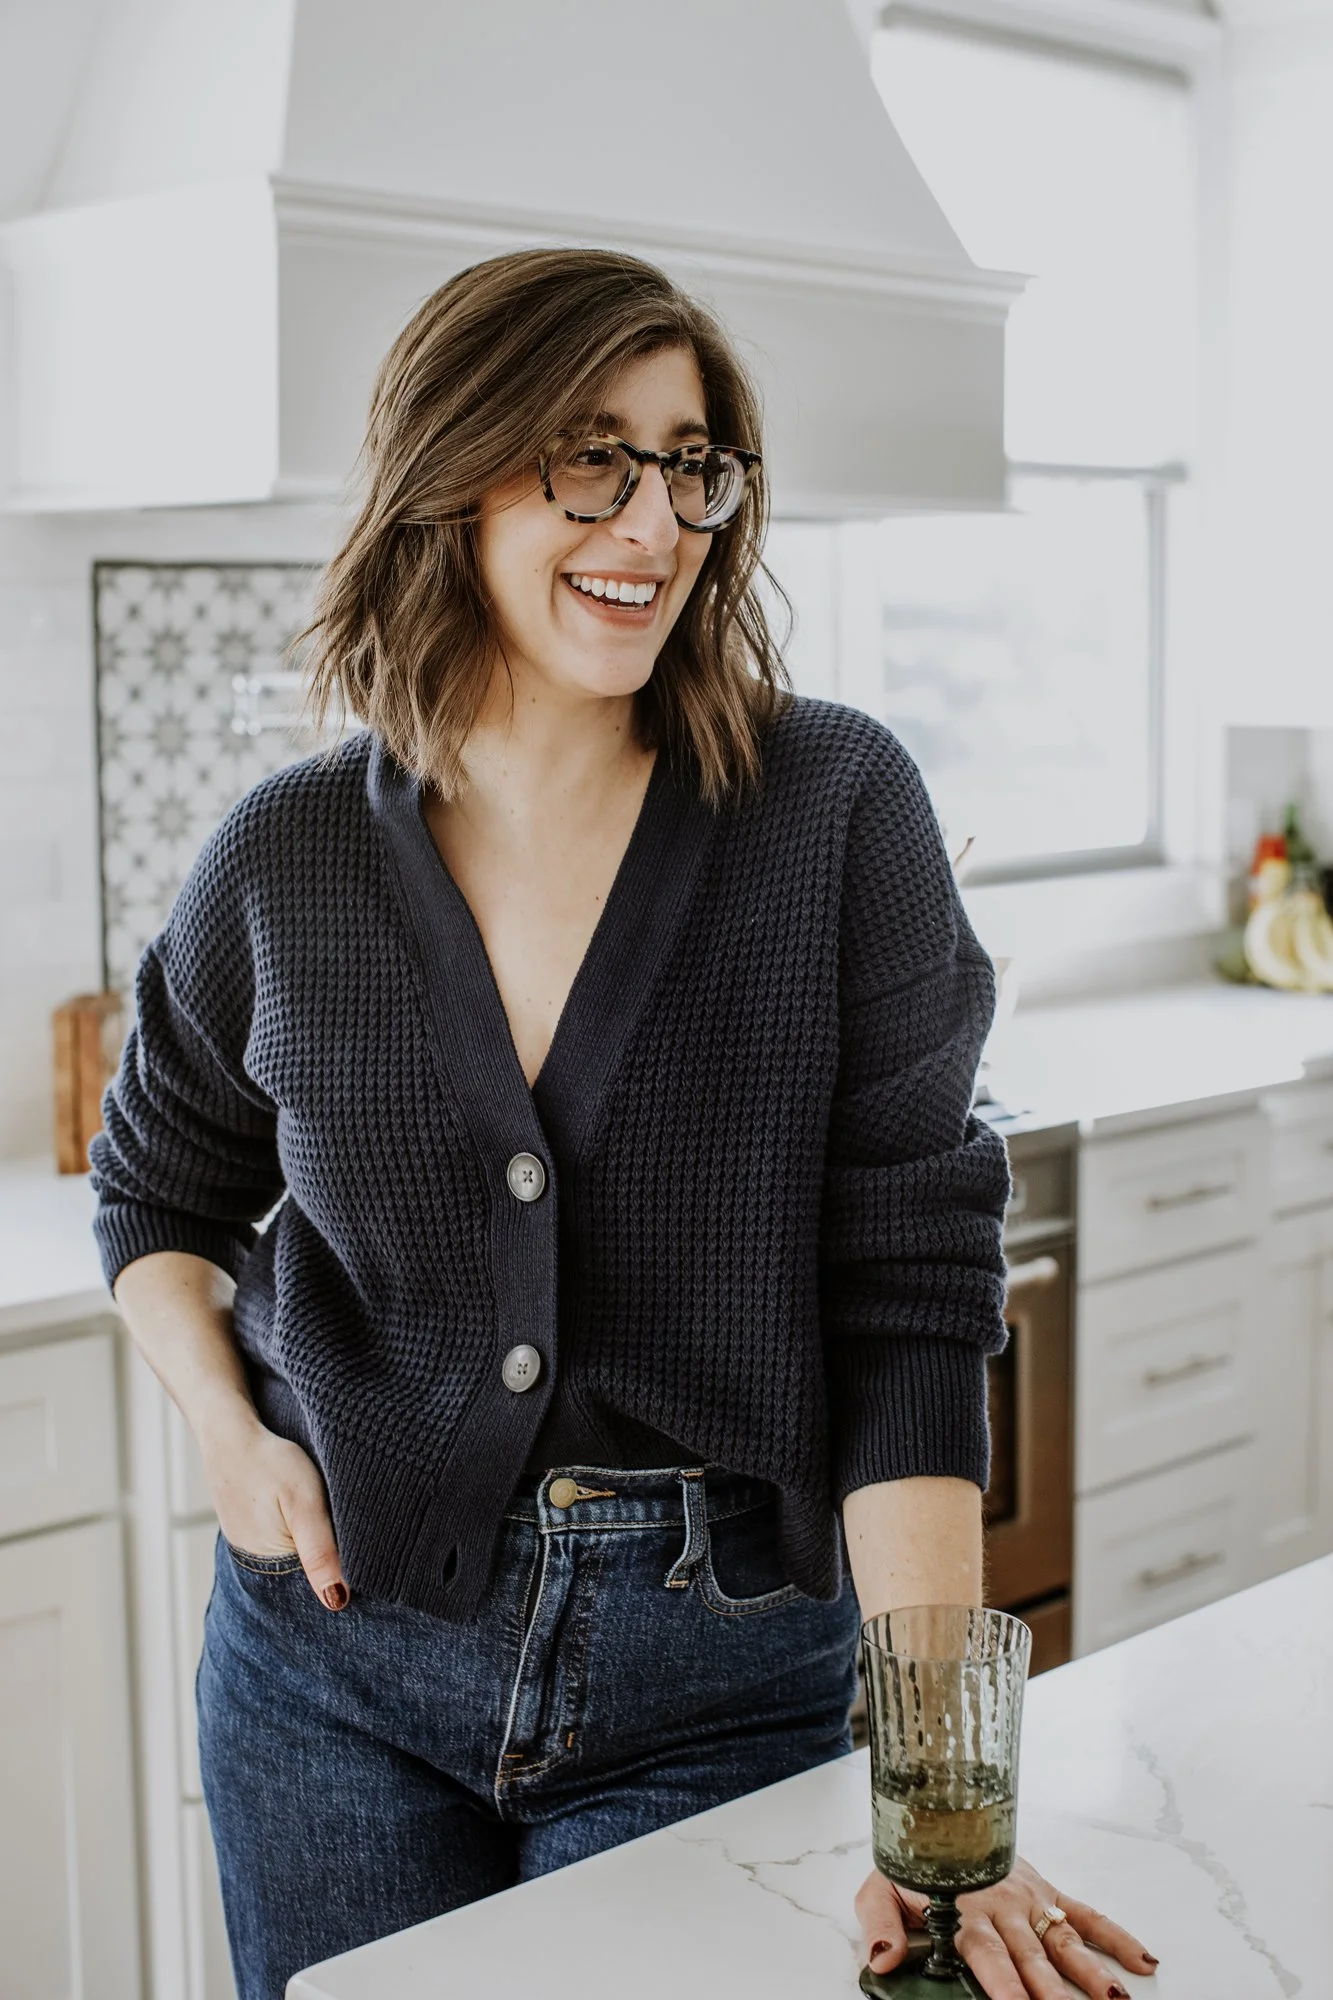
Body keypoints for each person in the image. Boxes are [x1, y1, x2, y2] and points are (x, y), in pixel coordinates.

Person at [90, 248, 1157, 2000]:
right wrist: (226, 1426)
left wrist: (931, 1797)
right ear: (458, 473)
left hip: (715, 1686)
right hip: (331, 1681)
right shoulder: (284, 857)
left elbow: (912, 1308)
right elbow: (155, 1196)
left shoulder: (835, 813)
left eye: (691, 464)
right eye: (592, 456)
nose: (652, 522)